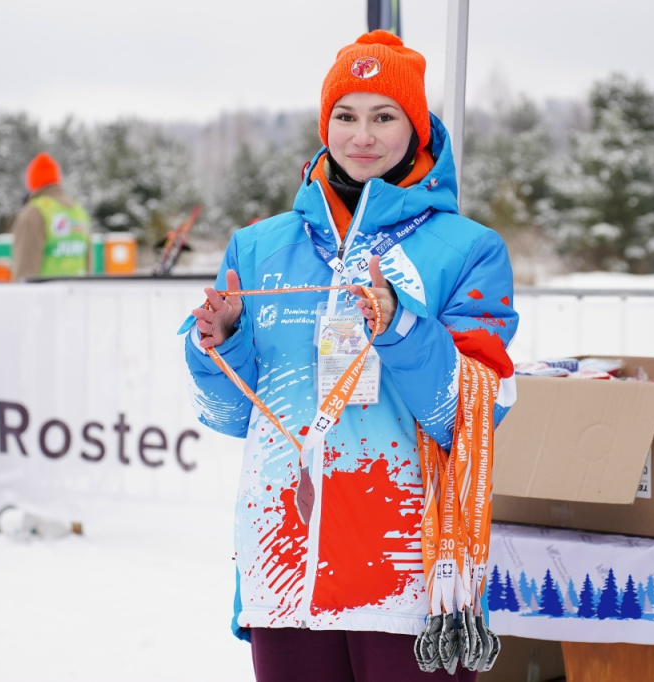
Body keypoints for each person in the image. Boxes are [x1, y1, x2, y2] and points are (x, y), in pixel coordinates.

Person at [180, 31, 518, 682]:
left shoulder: (468, 249)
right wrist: (222, 343)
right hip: (284, 567)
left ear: (416, 131)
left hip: (407, 579)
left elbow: (467, 415)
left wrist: (399, 327)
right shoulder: (257, 247)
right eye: (346, 115)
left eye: (384, 116)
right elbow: (226, 414)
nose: (362, 135)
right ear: (324, 124)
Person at [9, 152, 91, 281]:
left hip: (44, 298)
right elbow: (88, 266)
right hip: (76, 297)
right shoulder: (79, 212)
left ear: (33, 182)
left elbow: (25, 271)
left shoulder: (34, 212)